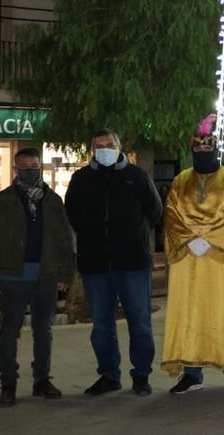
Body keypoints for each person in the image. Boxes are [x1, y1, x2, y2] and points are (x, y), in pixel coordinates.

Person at [66, 129, 164, 397]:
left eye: (109, 145)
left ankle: (141, 375)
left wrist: (135, 234)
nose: (104, 149)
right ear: (92, 149)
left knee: (140, 321)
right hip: (95, 264)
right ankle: (109, 375)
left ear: (119, 147)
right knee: (102, 324)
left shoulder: (136, 176)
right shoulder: (81, 178)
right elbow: (72, 212)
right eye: (99, 145)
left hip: (132, 262)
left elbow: (155, 211)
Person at [161, 115, 224, 395]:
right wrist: (189, 240)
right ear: (192, 151)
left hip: (220, 256)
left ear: (215, 150)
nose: (202, 153)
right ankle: (192, 374)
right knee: (190, 312)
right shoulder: (180, 181)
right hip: (189, 257)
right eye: (197, 150)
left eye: (207, 149)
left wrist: (210, 240)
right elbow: (171, 214)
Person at [0, 148, 75, 407]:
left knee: (43, 331)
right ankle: (8, 384)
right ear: (15, 170)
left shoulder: (53, 200)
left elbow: (65, 240)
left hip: (46, 276)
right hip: (12, 277)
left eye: (34, 166)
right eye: (25, 167)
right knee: (9, 331)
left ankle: (41, 380)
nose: (31, 170)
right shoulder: (2, 201)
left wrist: (65, 273)